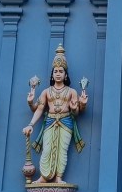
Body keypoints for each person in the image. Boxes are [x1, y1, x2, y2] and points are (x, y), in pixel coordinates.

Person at [23, 44, 88, 183]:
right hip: (50, 122)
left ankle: (59, 177)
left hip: (65, 122)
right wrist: (30, 124)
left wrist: (76, 107)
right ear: (52, 74)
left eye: (61, 71)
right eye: (55, 71)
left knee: (62, 151)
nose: (58, 73)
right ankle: (43, 177)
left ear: (66, 75)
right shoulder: (46, 91)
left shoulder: (72, 92)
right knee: (47, 149)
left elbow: (76, 113)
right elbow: (39, 109)